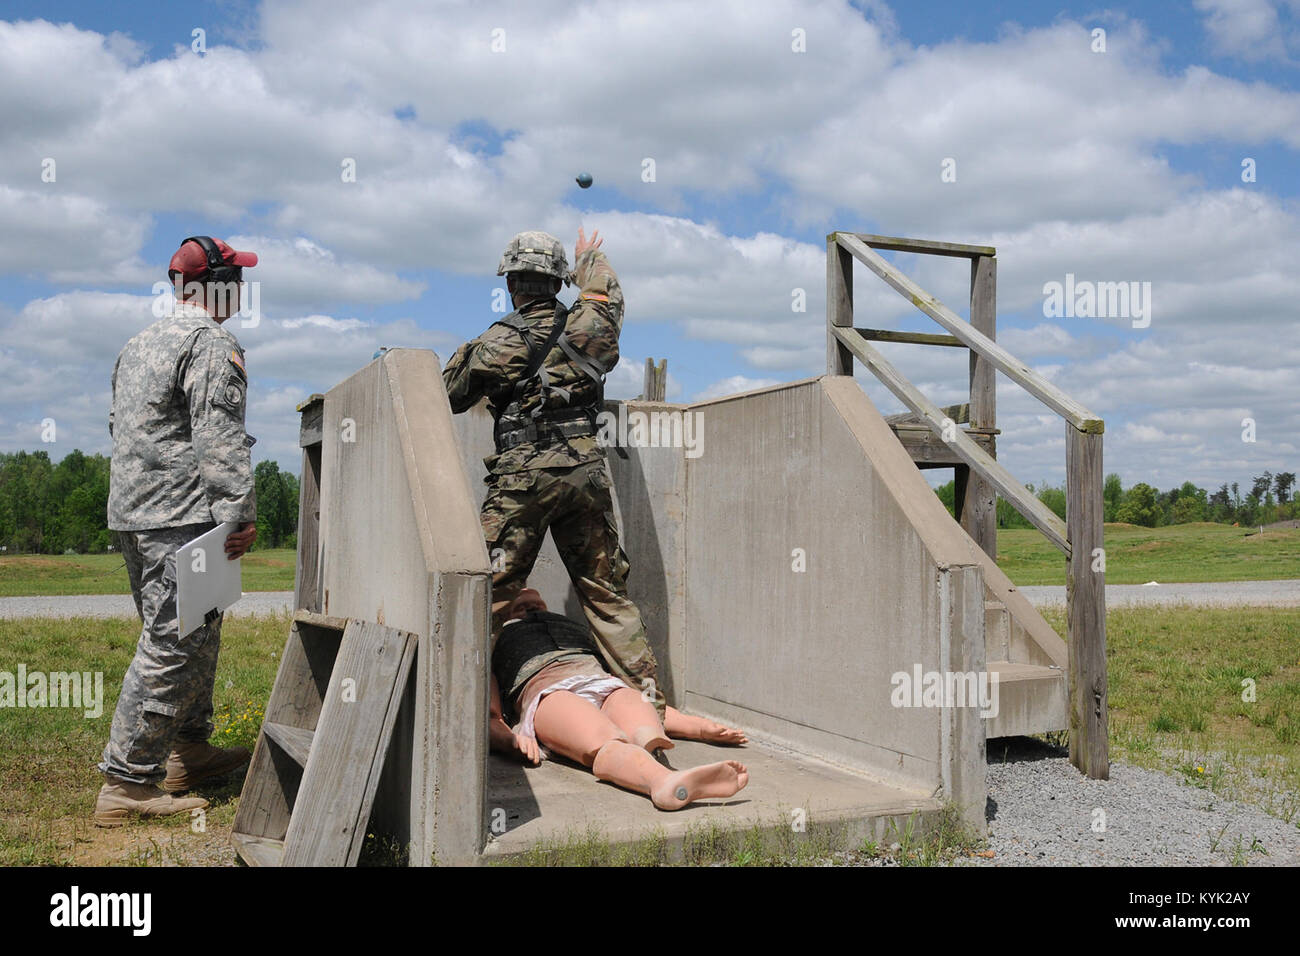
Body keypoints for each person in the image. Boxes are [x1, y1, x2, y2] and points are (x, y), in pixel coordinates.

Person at [443, 228, 665, 717]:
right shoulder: (593, 321)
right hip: (586, 473)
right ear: (559, 281)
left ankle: (463, 714)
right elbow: (608, 290)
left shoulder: (501, 340)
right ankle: (648, 712)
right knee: (607, 594)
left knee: (489, 596)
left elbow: (450, 394)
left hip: (524, 478)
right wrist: (589, 256)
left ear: (512, 283)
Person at [94, 236, 260, 827]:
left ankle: (188, 749)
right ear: (213, 282)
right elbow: (217, 433)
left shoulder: (138, 343)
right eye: (234, 277)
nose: (241, 288)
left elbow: (120, 425)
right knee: (171, 642)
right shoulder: (210, 342)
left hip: (134, 513)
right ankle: (128, 780)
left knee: (196, 631)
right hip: (184, 515)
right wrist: (237, 512)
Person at [489, 589, 748, 811]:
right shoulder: (492, 636)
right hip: (547, 690)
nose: (531, 607)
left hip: (602, 681)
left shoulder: (576, 628)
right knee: (603, 739)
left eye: (537, 603)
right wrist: (509, 739)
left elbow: (648, 699)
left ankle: (648, 762)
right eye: (520, 606)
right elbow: (490, 714)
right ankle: (660, 781)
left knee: (640, 718)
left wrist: (698, 727)